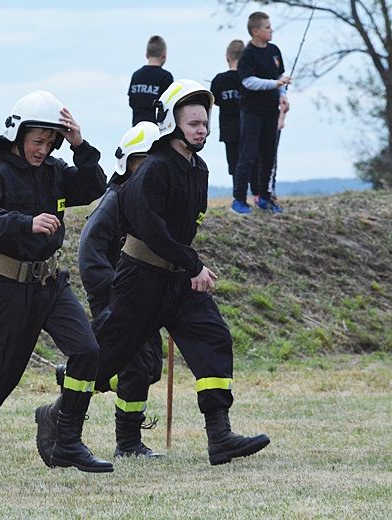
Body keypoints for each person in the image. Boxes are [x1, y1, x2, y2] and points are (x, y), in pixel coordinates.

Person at [46, 79, 270, 466]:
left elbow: (183, 229)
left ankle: (220, 436)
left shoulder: (197, 168)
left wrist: (186, 266)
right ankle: (60, 427)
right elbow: (152, 230)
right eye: (193, 123)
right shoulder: (154, 169)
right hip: (140, 279)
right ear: (171, 123)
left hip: (177, 279)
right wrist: (194, 263)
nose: (201, 130)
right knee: (103, 360)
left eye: (205, 123)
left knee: (212, 337)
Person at [0, 90, 112, 486]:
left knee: (87, 352)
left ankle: (66, 438)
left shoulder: (55, 169)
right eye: (38, 141)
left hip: (52, 283)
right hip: (11, 287)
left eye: (51, 142)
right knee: (1, 378)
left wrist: (80, 145)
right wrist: (25, 222)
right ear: (18, 135)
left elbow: (92, 186)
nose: (43, 149)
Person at [37, 122, 165, 462]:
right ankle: (127, 441)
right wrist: (119, 296)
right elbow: (90, 255)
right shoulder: (116, 201)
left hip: (145, 296)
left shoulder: (153, 201)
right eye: (144, 161)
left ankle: (71, 386)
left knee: (149, 367)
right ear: (127, 163)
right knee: (135, 366)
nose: (152, 169)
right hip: (118, 298)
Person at [232, 12, 290, 214]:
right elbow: (248, 81)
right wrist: (275, 84)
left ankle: (265, 198)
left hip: (271, 111)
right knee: (247, 155)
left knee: (268, 154)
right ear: (256, 32)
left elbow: (280, 75)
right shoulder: (247, 55)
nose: (271, 30)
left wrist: (282, 93)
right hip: (252, 112)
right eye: (267, 27)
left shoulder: (274, 51)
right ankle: (239, 199)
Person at [211, 39, 245, 180]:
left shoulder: (219, 80)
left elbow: (215, 101)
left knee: (234, 165)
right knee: (253, 161)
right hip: (248, 128)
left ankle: (238, 195)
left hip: (228, 129)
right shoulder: (248, 79)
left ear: (227, 57)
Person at [127, 35, 174, 125]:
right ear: (164, 55)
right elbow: (169, 106)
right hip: (157, 131)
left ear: (147, 55)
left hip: (137, 128)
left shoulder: (136, 76)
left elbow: (131, 102)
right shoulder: (166, 77)